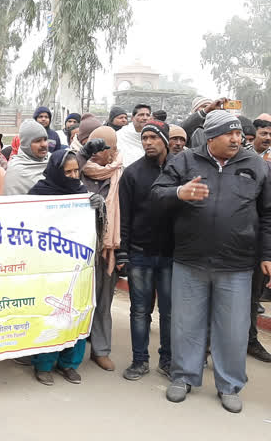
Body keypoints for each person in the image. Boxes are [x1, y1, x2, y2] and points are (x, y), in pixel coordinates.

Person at [152, 110, 271, 413]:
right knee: (186, 323)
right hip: (190, 259)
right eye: (228, 134)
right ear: (211, 137)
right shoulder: (185, 161)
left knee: (232, 328)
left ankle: (229, 384)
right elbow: (157, 195)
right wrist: (179, 192)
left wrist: (267, 254)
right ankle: (183, 376)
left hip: (237, 263)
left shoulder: (256, 165)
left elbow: (268, 215)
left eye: (237, 133)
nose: (236, 138)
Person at [117, 120, 174, 381]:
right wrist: (123, 252)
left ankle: (168, 360)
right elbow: (124, 217)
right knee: (140, 310)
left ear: (165, 139)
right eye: (144, 138)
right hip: (140, 253)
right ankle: (139, 360)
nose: (148, 142)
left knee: (170, 311)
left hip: (172, 255)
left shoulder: (179, 171)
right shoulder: (132, 174)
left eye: (153, 137)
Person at [28, 149, 91, 385]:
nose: (74, 176)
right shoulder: (40, 193)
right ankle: (44, 364)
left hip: (78, 261)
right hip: (50, 264)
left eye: (77, 171)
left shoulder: (82, 192)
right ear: (57, 172)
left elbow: (95, 226)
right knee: (51, 315)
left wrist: (95, 206)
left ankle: (69, 363)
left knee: (76, 312)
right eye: (68, 172)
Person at [80, 126, 124, 372]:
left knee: (103, 302)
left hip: (107, 249)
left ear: (114, 151)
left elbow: (128, 214)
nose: (97, 153)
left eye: (103, 148)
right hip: (78, 248)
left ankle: (101, 350)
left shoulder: (121, 176)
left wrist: (124, 251)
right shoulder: (77, 170)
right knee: (76, 301)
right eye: (93, 147)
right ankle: (70, 352)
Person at [4, 120, 49, 195]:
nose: (44, 144)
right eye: (38, 141)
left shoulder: (53, 161)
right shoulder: (16, 171)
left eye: (45, 139)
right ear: (26, 144)